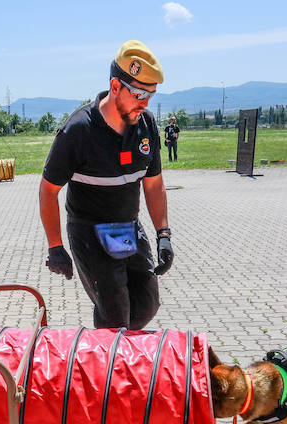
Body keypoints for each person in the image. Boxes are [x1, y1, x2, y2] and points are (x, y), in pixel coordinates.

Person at [40, 40, 172, 330]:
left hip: (126, 228)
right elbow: (48, 191)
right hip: (89, 231)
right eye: (138, 93)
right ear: (115, 86)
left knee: (145, 305)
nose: (145, 102)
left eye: (150, 94)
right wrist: (55, 247)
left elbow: (153, 185)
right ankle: (106, 365)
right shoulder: (78, 130)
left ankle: (116, 350)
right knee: (114, 314)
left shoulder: (146, 126)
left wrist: (163, 234)